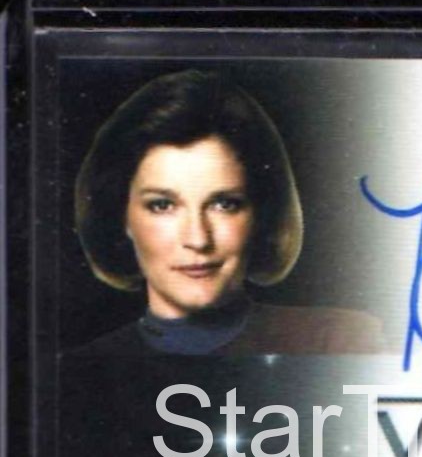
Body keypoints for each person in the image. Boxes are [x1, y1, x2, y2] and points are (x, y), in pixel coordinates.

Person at [73, 69, 383, 355]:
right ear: (122, 217)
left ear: (260, 212)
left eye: (224, 204)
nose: (198, 239)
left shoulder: (337, 342)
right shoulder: (80, 371)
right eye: (162, 205)